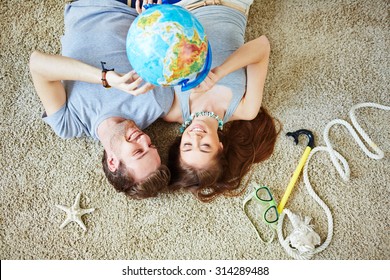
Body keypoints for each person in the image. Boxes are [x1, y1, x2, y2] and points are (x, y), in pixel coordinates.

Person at [29, 0, 173, 199]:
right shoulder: (156, 103)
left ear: (113, 162)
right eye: (151, 146)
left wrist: (105, 77)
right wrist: (153, 15)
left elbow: (37, 64)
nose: (144, 139)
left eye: (138, 152)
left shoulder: (69, 124)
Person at [166, 0, 280, 202]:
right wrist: (220, 72)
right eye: (205, 147)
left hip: (184, 6)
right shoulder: (246, 109)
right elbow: (262, 46)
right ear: (220, 146)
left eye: (188, 146)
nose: (196, 137)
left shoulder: (172, 110)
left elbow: (161, 55)